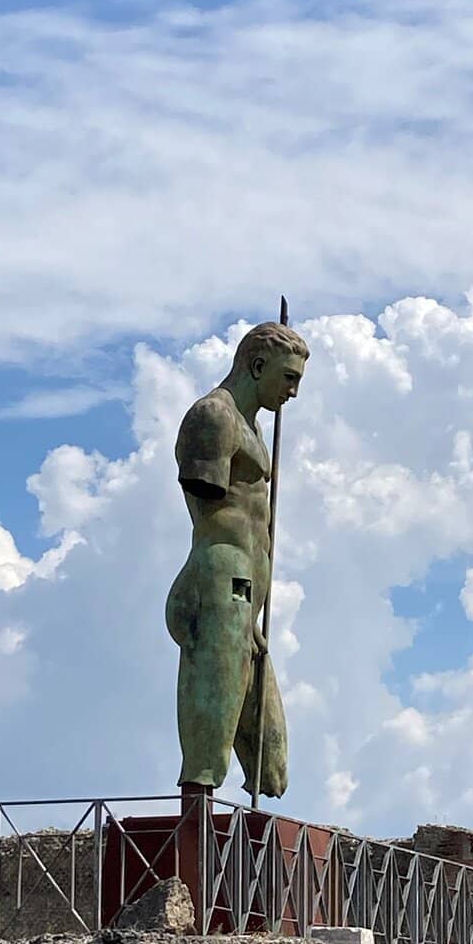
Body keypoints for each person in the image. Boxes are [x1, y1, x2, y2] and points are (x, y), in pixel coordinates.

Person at [165, 320, 309, 797]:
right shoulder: (214, 416)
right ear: (258, 365)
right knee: (211, 739)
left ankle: (244, 840)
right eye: (289, 378)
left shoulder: (250, 427)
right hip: (221, 580)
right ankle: (196, 816)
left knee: (273, 766)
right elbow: (215, 517)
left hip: (247, 598)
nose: (293, 392)